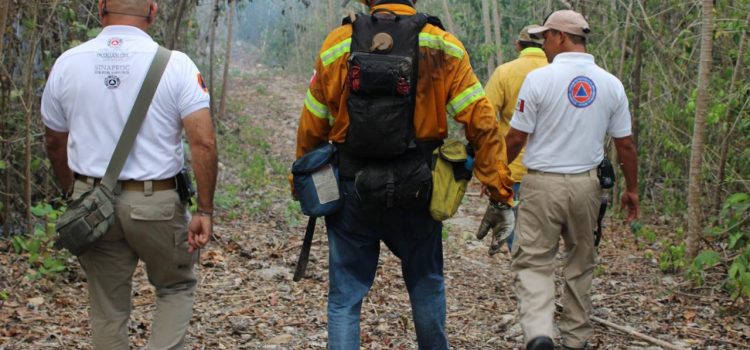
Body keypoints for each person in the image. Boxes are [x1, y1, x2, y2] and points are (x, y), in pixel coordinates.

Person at [293, 0, 515, 348]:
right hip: (418, 187)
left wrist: (301, 182)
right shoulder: (442, 44)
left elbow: (313, 123)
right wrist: (500, 192)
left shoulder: (337, 43)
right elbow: (482, 123)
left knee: (344, 299)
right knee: (426, 283)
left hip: (353, 187)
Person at [41, 1, 217, 349]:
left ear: (101, 9)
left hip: (92, 203)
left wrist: (71, 192)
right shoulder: (176, 65)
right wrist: (205, 210)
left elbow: (53, 141)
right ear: (152, 12)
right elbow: (204, 143)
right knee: (175, 286)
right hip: (156, 204)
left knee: (107, 306)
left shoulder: (68, 63)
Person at [505, 10, 640, 350]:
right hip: (587, 186)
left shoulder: (539, 80)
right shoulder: (611, 84)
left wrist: (497, 175)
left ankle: (539, 333)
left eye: (546, 37)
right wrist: (632, 190)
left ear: (561, 37)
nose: (543, 44)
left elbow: (515, 139)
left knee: (535, 261)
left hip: (541, 185)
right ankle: (576, 339)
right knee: (581, 262)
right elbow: (625, 144)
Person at [484, 25, 548, 253]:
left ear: (518, 45)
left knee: (517, 232)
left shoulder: (505, 72)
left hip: (514, 168)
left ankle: (526, 278)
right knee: (544, 233)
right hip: (551, 169)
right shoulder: (556, 72)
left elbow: (486, 118)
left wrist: (488, 166)